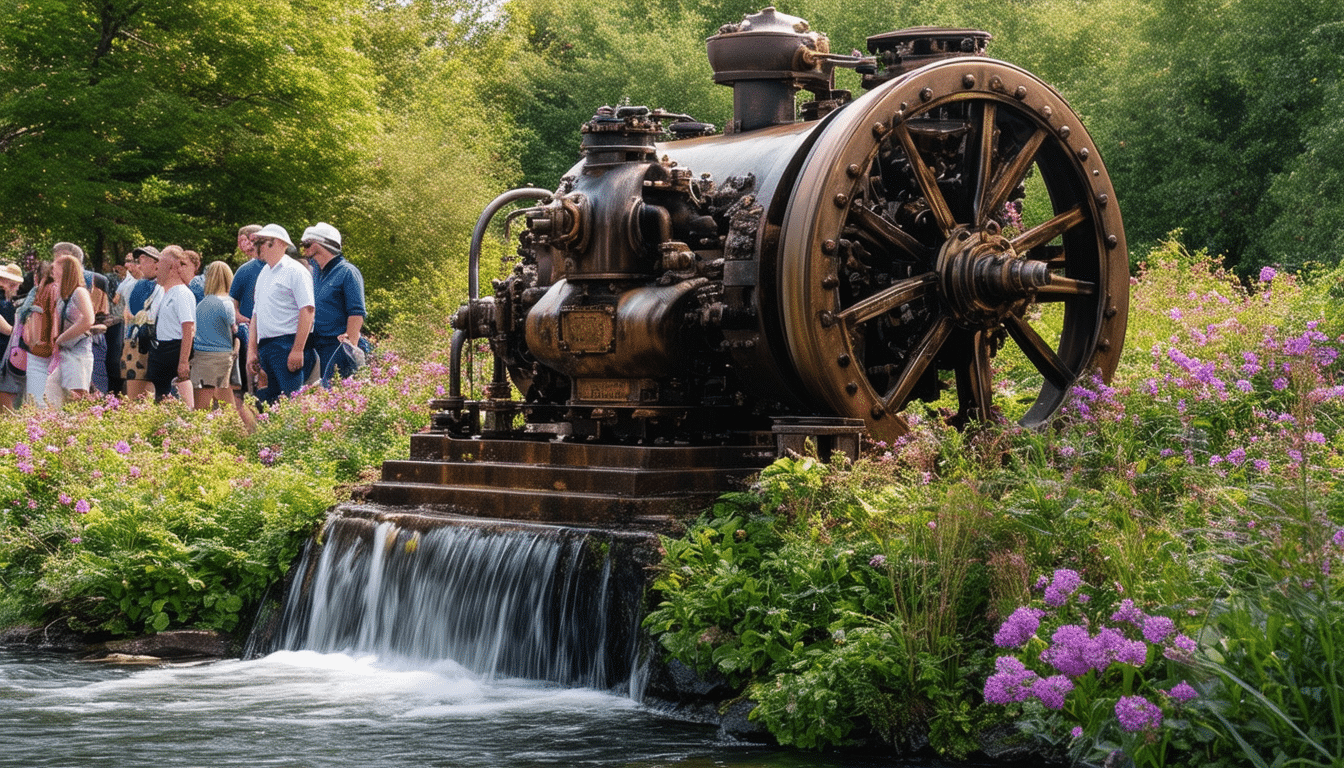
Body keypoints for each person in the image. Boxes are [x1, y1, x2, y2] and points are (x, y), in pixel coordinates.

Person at [246, 224, 315, 404]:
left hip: (287, 343)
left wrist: (298, 348)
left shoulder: (295, 271)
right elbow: (256, 314)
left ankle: (294, 432)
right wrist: (252, 349)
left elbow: (307, 309)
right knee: (274, 402)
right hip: (268, 346)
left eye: (259, 242)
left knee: (291, 402)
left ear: (275, 243)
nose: (254, 247)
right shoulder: (264, 273)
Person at [300, 222, 366, 386]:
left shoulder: (347, 272)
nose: (304, 249)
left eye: (308, 244)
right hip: (317, 344)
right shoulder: (315, 273)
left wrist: (350, 346)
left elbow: (356, 312)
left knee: (338, 391)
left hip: (337, 345)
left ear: (322, 244)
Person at [191, 261, 255, 430]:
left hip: (207, 356)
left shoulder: (203, 304)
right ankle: (249, 432)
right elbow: (233, 329)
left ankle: (201, 436)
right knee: (231, 401)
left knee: (203, 405)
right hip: (227, 355)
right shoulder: (229, 303)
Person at [146, 246, 195, 404]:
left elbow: (188, 329)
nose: (156, 267)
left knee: (175, 402)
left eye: (159, 262)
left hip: (174, 349)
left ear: (172, 267)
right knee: (161, 398)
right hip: (162, 350)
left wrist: (183, 362)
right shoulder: (166, 293)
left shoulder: (181, 293)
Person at [51, 252, 96, 399]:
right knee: (54, 394)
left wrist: (60, 339)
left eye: (55, 270)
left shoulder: (79, 292)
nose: (53, 273)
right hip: (64, 354)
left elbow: (88, 319)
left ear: (65, 271)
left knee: (77, 397)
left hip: (78, 354)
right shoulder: (63, 296)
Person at [121, 246, 162, 400]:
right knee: (133, 390)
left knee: (150, 390)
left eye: (145, 261)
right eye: (139, 261)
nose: (140, 265)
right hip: (134, 342)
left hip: (152, 342)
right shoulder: (138, 285)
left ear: (156, 263)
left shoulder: (161, 286)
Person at [229, 224, 263, 396]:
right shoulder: (244, 270)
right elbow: (232, 301)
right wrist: (239, 316)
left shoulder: (282, 267)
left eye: (245, 240)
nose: (243, 246)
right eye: (240, 241)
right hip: (249, 331)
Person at [21, 262, 58, 408]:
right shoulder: (55, 290)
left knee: (35, 401)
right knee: (49, 402)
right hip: (51, 348)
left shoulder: (37, 291)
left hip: (35, 347)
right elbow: (55, 317)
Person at [0, 263, 26, 409]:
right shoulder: (3, 302)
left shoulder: (6, 301)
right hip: (4, 357)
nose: (17, 289)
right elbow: (8, 330)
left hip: (6, 356)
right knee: (6, 405)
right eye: (15, 285)